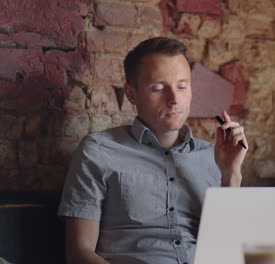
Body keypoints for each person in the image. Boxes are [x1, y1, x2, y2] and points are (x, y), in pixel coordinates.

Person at [57, 37, 248, 264]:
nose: (174, 99)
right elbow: (79, 253)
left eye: (182, 86)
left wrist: (230, 174)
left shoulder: (213, 156)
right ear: (131, 94)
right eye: (158, 88)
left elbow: (229, 249)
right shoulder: (98, 151)